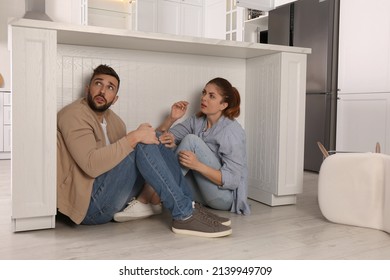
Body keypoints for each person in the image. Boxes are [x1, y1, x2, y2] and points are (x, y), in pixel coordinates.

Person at [56, 64, 232, 238]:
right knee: (142, 140)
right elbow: (91, 165)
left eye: (110, 87)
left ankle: (189, 207)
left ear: (115, 98)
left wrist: (149, 134)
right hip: (89, 206)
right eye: (98, 84)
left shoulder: (115, 121)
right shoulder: (74, 115)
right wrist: (134, 137)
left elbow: (125, 160)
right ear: (88, 88)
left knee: (154, 137)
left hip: (111, 194)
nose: (102, 91)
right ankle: (184, 214)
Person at [127, 77, 250, 218]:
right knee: (165, 146)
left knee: (191, 141)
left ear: (223, 105)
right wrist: (171, 119)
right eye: (204, 93)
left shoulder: (232, 131)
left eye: (211, 96)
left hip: (222, 198)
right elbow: (159, 138)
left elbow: (233, 181)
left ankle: (146, 198)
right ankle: (150, 200)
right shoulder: (197, 121)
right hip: (200, 192)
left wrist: (197, 165)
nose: (204, 98)